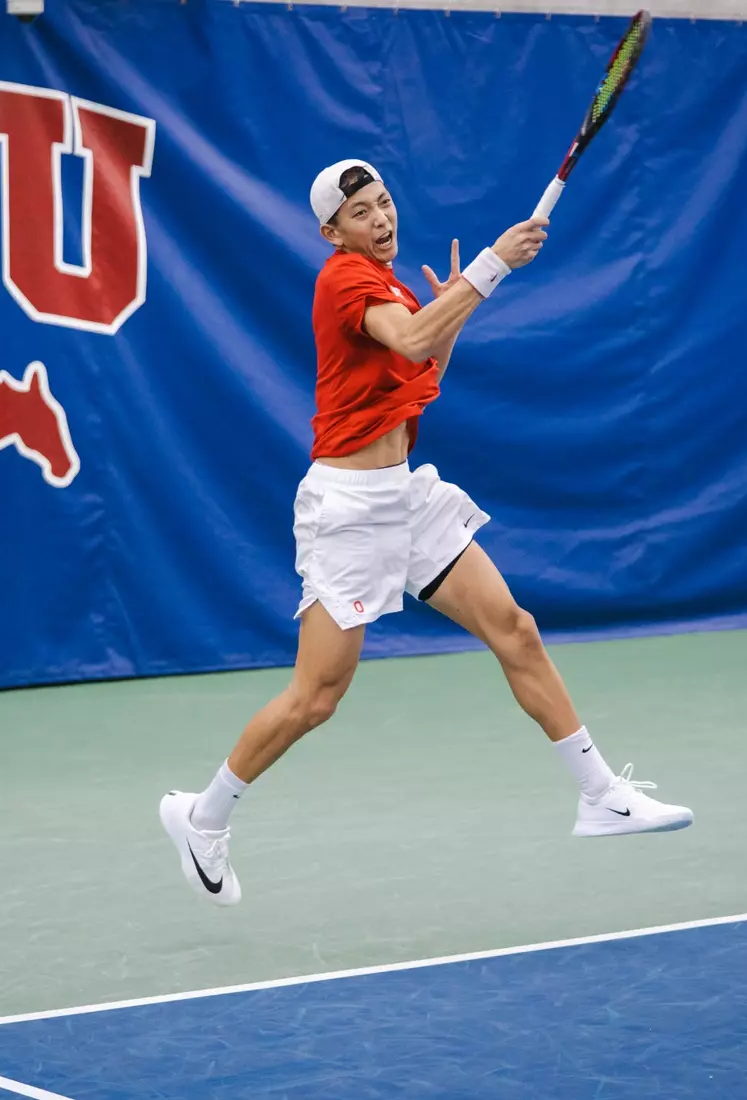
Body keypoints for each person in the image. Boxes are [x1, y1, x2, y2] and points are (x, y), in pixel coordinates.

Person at [160, 160, 692, 906]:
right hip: (348, 511)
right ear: (331, 233)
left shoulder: (388, 284)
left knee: (516, 629)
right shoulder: (345, 279)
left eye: (384, 204)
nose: (381, 219)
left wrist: (461, 304)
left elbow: (422, 360)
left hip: (403, 497)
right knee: (316, 698)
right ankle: (203, 815)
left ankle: (599, 793)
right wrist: (492, 265)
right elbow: (411, 340)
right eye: (362, 214)